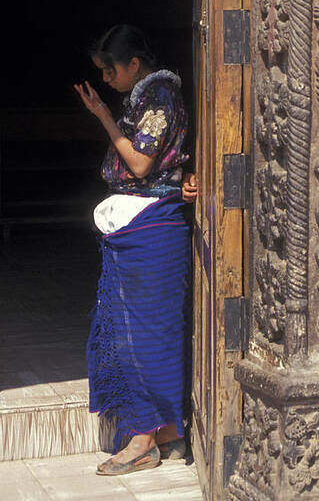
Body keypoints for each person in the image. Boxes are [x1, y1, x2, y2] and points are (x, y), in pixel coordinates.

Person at [74, 24, 197, 475]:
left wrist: (103, 116)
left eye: (110, 70)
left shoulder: (160, 94)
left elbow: (142, 162)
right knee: (146, 332)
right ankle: (166, 433)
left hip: (151, 230)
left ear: (133, 64)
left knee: (143, 336)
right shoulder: (147, 96)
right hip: (144, 228)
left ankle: (145, 438)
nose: (106, 79)